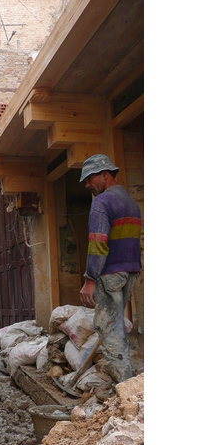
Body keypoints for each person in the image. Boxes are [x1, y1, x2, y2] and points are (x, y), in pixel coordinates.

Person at [78, 154, 141, 384]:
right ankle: (131, 383)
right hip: (130, 272)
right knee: (118, 327)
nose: (87, 185)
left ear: (105, 174)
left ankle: (125, 388)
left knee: (109, 329)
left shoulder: (101, 202)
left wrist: (90, 279)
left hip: (109, 274)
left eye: (89, 178)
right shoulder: (131, 202)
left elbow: (97, 242)